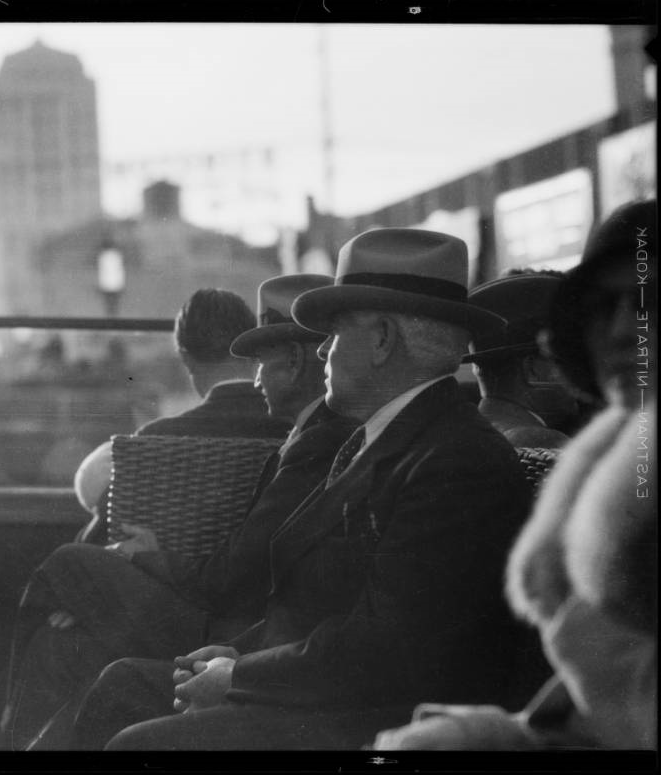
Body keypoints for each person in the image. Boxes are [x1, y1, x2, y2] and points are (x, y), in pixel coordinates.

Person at [67, 228, 541, 750]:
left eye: (335, 335)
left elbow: (386, 648)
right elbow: (321, 606)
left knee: (136, 744)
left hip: (381, 720)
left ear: (383, 340)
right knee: (123, 684)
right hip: (327, 689)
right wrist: (237, 656)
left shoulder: (455, 459)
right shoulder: (387, 436)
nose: (325, 354)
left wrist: (240, 676)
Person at [0, 275, 359, 750]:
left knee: (66, 566)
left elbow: (229, 574)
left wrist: (144, 558)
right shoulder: (303, 436)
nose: (256, 376)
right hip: (241, 626)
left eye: (263, 362)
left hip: (221, 623)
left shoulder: (310, 446)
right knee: (59, 647)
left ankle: (0, 731)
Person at [373, 198, 656, 751]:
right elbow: (599, 704)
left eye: (649, 302)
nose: (624, 331)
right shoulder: (610, 457)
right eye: (603, 308)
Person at [73, 288, 291, 532]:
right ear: (253, 350)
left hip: (167, 569)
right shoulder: (295, 430)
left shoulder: (152, 442)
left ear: (185, 358)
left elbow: (114, 534)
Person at [464, 271, 574, 448]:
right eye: (568, 359)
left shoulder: (466, 433)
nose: (579, 373)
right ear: (532, 370)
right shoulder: (541, 440)